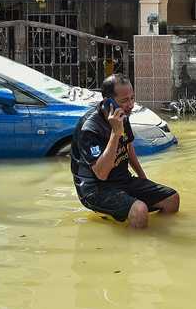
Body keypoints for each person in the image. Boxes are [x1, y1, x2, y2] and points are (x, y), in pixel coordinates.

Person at [70, 73, 179, 228]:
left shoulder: (123, 117)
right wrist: (115, 133)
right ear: (108, 102)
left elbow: (128, 147)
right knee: (139, 210)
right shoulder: (90, 129)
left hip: (122, 180)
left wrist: (143, 178)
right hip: (95, 189)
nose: (131, 105)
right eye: (124, 100)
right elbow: (101, 173)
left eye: (132, 98)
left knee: (172, 199)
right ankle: (135, 241)